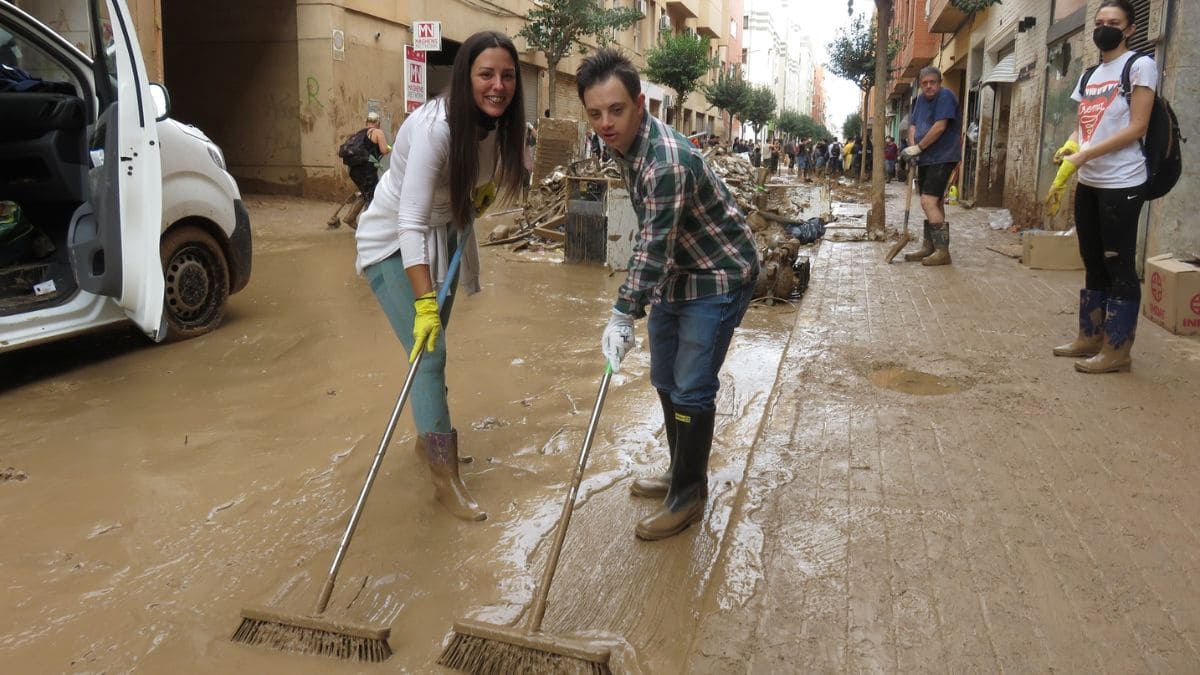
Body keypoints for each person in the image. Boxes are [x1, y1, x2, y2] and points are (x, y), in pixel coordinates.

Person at [576, 49, 758, 541]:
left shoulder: (665, 162)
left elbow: (653, 246)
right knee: (664, 377)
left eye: (616, 110)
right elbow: (658, 246)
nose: (606, 123)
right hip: (679, 271)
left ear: (640, 104)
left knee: (691, 384)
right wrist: (631, 308)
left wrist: (621, 313)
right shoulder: (623, 147)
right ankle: (682, 471)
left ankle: (689, 495)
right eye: (595, 114)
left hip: (718, 274)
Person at [353, 31, 526, 520]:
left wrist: (476, 198)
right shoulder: (435, 127)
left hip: (446, 232)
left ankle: (428, 441)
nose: (499, 86)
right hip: (394, 241)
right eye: (486, 74)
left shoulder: (501, 125)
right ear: (465, 75)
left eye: (508, 76)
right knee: (430, 351)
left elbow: (475, 179)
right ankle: (443, 478)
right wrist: (424, 302)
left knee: (433, 349)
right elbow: (408, 221)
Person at [1045, 0, 1155, 374]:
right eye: (1099, 22)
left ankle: (1117, 350)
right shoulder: (1089, 74)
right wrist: (1072, 146)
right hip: (1090, 180)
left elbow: (1137, 127)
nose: (1104, 28)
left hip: (1122, 180)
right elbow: (1085, 125)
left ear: (1129, 29)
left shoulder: (1140, 65)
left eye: (1114, 22)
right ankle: (1089, 336)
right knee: (1092, 260)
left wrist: (1084, 156)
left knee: (1118, 263)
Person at [901, 65, 962, 266]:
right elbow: (913, 126)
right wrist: (912, 148)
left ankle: (943, 252)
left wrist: (919, 147)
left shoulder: (945, 96)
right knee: (935, 204)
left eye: (932, 82)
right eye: (924, 83)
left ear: (939, 83)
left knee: (927, 201)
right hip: (926, 157)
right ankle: (931, 246)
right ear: (920, 84)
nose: (928, 87)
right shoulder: (919, 101)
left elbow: (940, 127)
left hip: (943, 156)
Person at [343, 111, 392, 227]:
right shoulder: (378, 132)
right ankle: (367, 226)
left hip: (354, 170)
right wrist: (389, 148)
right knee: (373, 195)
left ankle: (350, 217)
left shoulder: (360, 133)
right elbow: (384, 150)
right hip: (367, 171)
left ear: (367, 122)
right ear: (378, 123)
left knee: (366, 193)